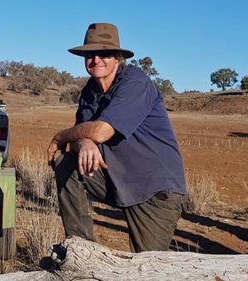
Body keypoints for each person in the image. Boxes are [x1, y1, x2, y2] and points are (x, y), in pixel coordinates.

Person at [47, 23, 186, 252]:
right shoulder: (90, 91)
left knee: (148, 268)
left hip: (153, 188)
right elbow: (82, 134)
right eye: (90, 54)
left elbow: (101, 131)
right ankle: (82, 251)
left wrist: (61, 136)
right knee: (66, 162)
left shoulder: (136, 83)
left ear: (118, 58)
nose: (96, 59)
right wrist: (85, 142)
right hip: (118, 180)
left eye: (105, 54)